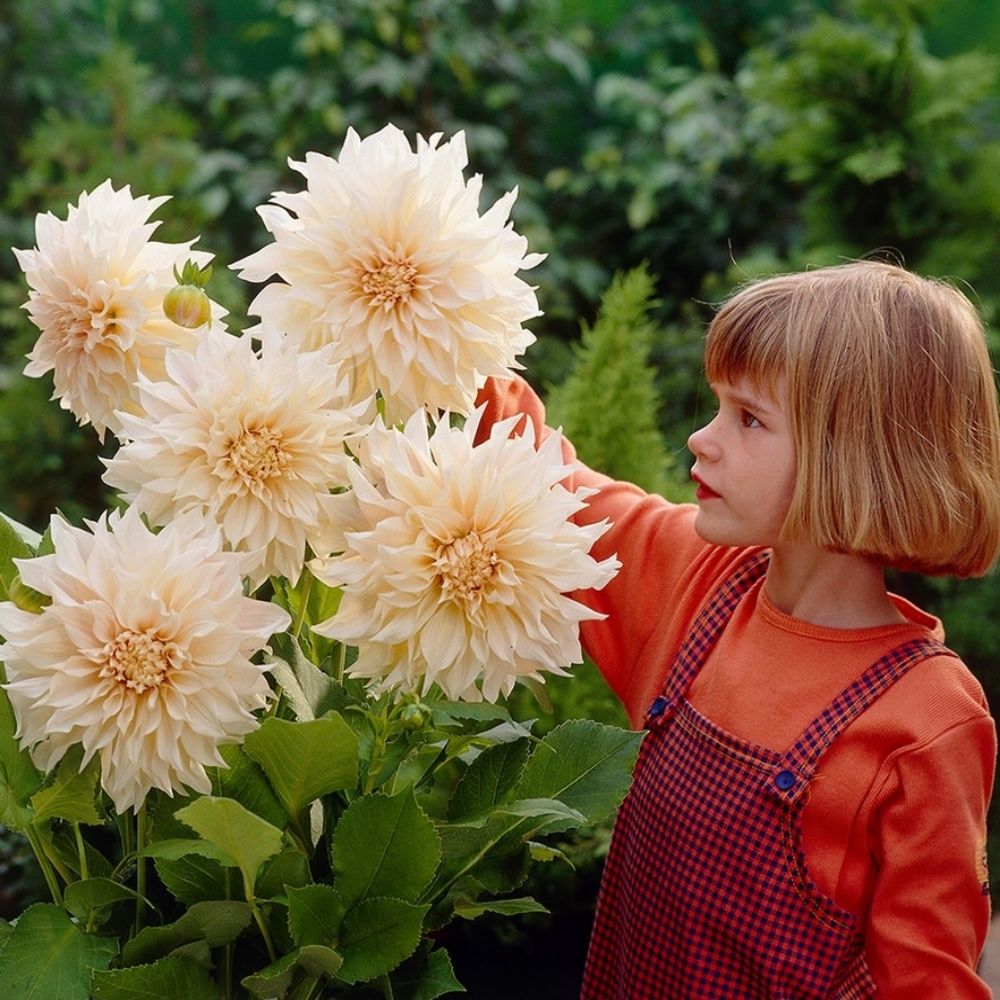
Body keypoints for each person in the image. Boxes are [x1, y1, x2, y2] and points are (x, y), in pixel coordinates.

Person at [475, 260, 1000, 998]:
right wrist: (438, 318)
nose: (702, 438)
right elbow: (534, 472)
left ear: (856, 455)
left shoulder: (928, 722)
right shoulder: (695, 579)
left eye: (748, 418)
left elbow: (929, 983)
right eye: (718, 406)